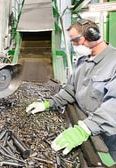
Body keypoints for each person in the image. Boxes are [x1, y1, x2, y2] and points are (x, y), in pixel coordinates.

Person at [26, 19, 116, 163]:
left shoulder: (113, 62)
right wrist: (48, 103)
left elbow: (114, 105)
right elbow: (70, 91)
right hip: (84, 124)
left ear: (93, 36)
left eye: (75, 40)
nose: (73, 45)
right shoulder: (82, 61)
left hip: (108, 136)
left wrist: (85, 129)